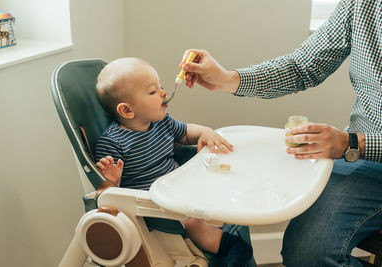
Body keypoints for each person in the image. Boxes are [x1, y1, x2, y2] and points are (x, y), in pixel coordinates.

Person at [178, 0, 382, 266]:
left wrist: (355, 142)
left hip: (357, 147)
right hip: (363, 161)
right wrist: (228, 79)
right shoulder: (362, 4)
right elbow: (301, 66)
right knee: (306, 254)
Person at [93, 57, 253, 267]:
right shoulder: (112, 143)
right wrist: (111, 180)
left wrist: (205, 131)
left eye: (160, 87)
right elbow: (107, 197)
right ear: (127, 110)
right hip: (158, 211)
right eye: (152, 91)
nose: (163, 92)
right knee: (201, 228)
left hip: (181, 192)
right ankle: (232, 247)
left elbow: (186, 133)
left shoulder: (161, 123)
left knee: (230, 191)